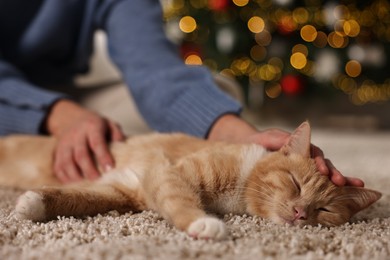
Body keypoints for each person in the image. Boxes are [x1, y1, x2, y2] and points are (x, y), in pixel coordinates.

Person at [0, 0, 363, 187]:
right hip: (16, 96)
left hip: (64, 90)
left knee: (218, 91)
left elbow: (156, 71)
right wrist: (63, 116)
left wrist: (242, 139)